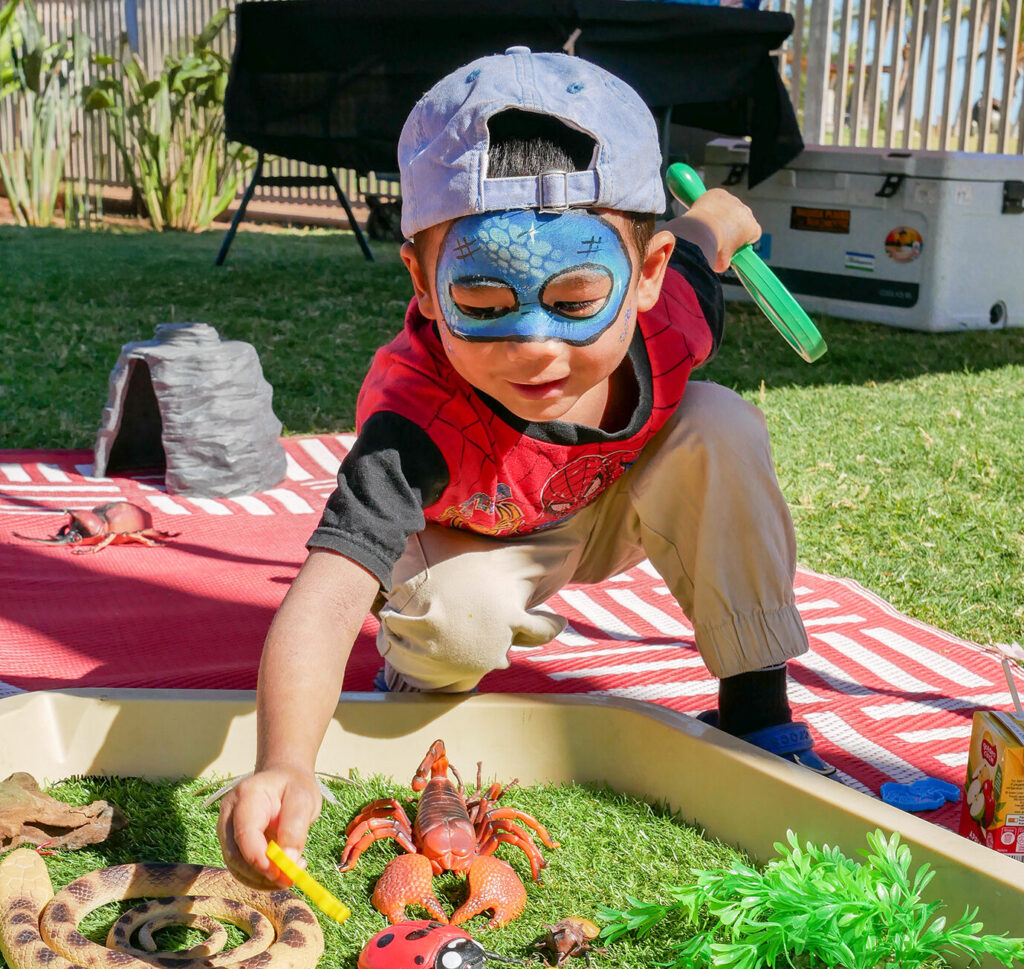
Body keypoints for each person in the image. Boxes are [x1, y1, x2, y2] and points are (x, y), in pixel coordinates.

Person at [217, 46, 832, 890]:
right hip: (472, 542)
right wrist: (284, 760)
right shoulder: (417, 421)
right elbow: (326, 595)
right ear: (426, 288)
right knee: (457, 622)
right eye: (483, 304)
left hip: (607, 507)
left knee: (720, 422)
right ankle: (420, 662)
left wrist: (724, 216)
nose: (536, 347)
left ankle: (756, 715)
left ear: (646, 277)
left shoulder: (674, 315)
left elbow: (701, 235)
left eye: (578, 302)